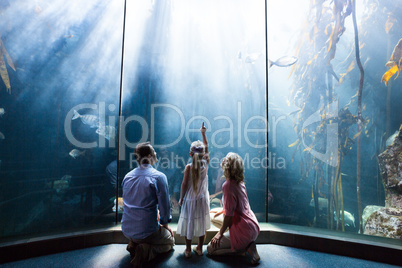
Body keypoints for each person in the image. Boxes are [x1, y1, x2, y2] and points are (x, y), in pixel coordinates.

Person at [121, 142, 175, 267]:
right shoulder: (158, 177)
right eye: (155, 152)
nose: (156, 154)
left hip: (126, 230)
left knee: (139, 235)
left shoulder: (127, 177)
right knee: (170, 242)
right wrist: (165, 225)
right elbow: (165, 206)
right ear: (150, 156)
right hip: (147, 232)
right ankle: (146, 251)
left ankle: (133, 244)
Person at [207, 152, 260, 264]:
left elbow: (229, 215)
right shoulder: (240, 182)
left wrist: (219, 234)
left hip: (244, 230)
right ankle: (245, 243)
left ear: (229, 167)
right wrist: (224, 209)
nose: (223, 160)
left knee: (210, 249)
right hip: (253, 225)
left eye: (226, 160)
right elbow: (237, 206)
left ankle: (241, 248)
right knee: (212, 213)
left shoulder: (228, 185)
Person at [176, 122, 211, 257]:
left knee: (189, 222)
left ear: (190, 154)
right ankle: (200, 248)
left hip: (190, 198)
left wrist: (181, 198)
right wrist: (203, 133)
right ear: (202, 155)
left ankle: (188, 249)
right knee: (201, 222)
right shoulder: (205, 163)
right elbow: (207, 148)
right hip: (202, 198)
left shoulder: (188, 167)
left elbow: (184, 184)